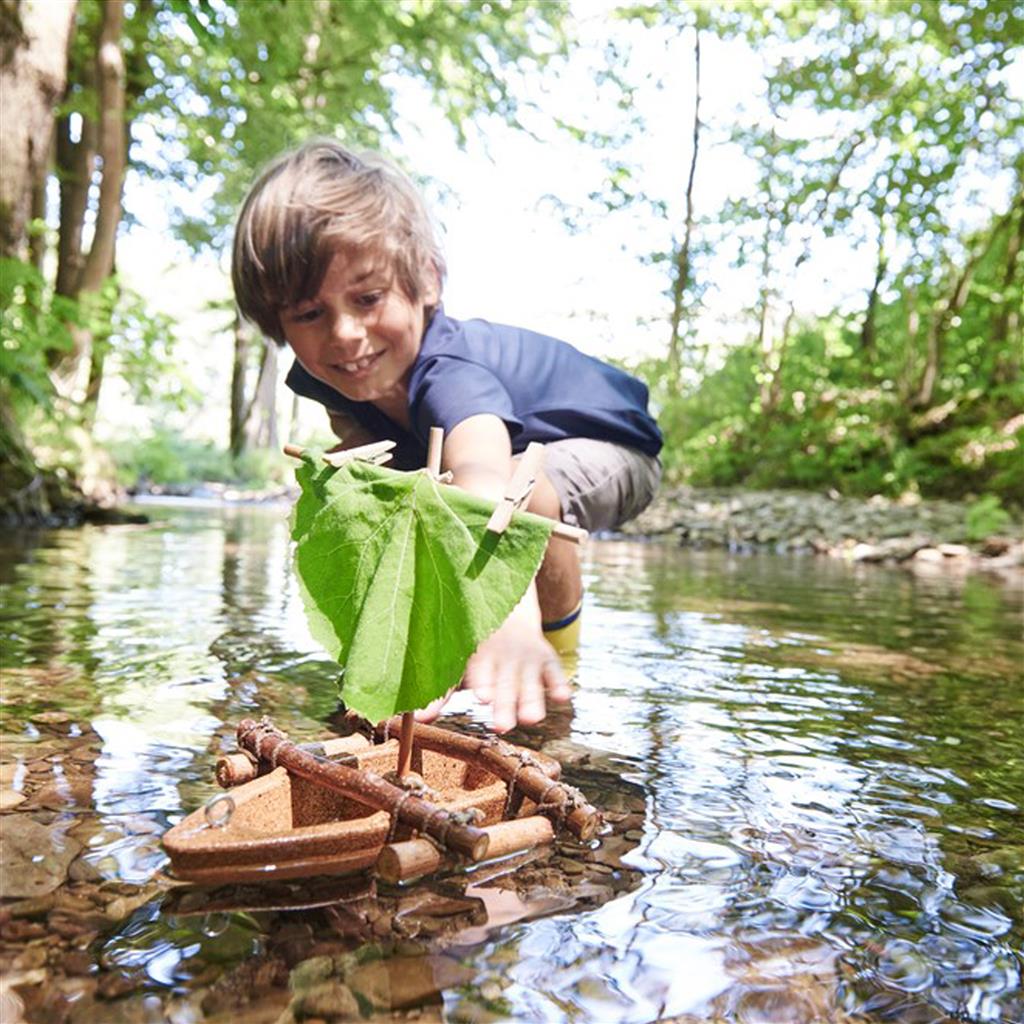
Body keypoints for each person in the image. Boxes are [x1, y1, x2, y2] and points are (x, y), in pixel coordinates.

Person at [231, 140, 662, 733]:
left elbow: (483, 471)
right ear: (276, 320)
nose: (345, 335)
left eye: (368, 297)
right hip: (507, 457)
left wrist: (502, 611)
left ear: (426, 281)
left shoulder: (448, 369)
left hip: (611, 447)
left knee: (520, 487)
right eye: (309, 314)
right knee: (376, 490)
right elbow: (385, 473)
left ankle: (549, 678)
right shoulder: (325, 377)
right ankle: (441, 666)